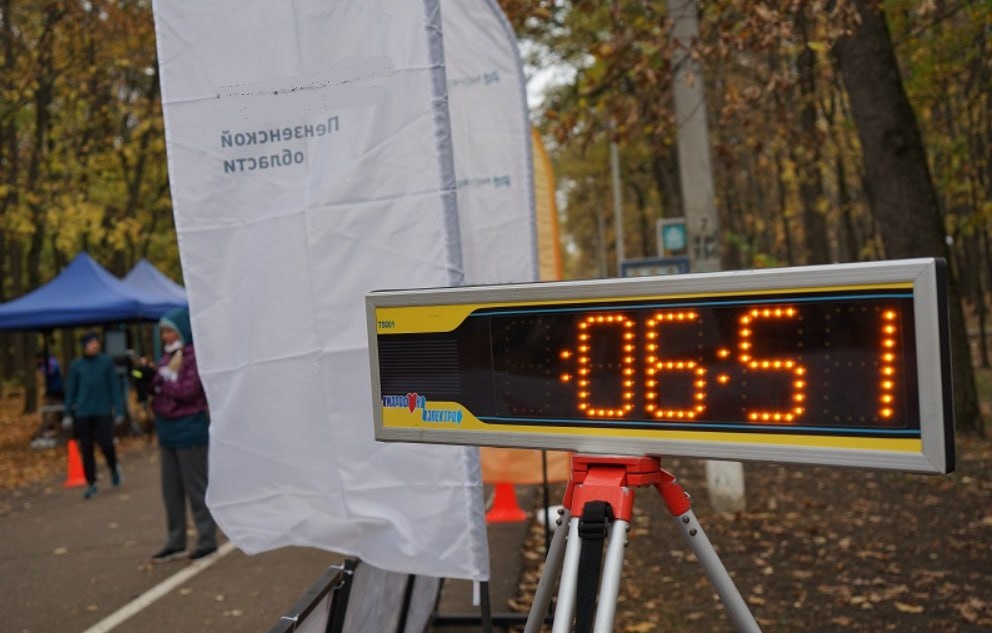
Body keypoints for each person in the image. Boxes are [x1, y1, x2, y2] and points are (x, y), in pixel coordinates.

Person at [149, 306, 217, 563]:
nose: (166, 336)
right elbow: (159, 386)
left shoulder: (193, 356)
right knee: (171, 492)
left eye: (170, 331)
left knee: (196, 488)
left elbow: (188, 391)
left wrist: (161, 383)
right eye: (164, 332)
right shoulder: (166, 357)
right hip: (167, 430)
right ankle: (175, 540)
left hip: (190, 430)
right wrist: (147, 378)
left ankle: (207, 538)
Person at [62, 332, 125, 499]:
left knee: (106, 444)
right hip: (83, 413)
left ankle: (113, 466)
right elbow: (71, 390)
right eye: (91, 343)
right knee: (87, 448)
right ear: (84, 346)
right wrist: (67, 413)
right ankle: (92, 482)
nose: (94, 345)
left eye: (96, 342)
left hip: (103, 411)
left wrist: (119, 410)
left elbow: (114, 387)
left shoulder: (106, 362)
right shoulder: (76, 365)